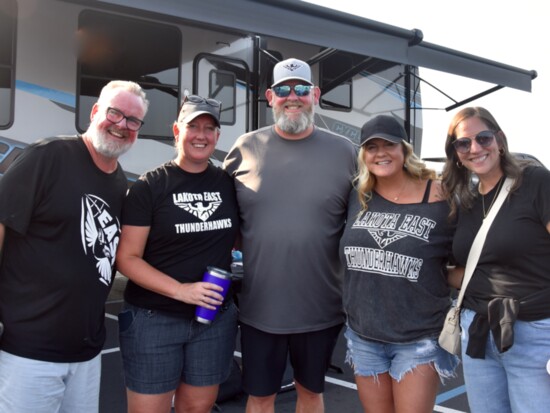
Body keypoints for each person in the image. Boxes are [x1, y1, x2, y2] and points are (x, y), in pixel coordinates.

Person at [0, 80, 148, 413]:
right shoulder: (49, 155)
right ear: (95, 112)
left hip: (86, 353)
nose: (122, 125)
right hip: (30, 351)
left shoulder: (118, 179)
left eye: (133, 120)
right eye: (115, 113)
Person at [223, 57, 357, 413]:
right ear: (270, 96)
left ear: (315, 95)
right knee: (261, 396)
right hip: (259, 306)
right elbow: (225, 221)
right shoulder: (244, 147)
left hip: (321, 308)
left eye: (301, 89)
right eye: (283, 89)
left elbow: (364, 221)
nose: (292, 97)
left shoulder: (345, 152)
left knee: (310, 393)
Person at [115, 95, 239, 413]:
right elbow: (127, 258)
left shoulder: (229, 185)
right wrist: (181, 291)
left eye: (209, 128)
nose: (201, 135)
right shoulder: (150, 187)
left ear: (218, 136)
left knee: (197, 408)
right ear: (176, 130)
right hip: (154, 318)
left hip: (213, 319)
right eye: (192, 126)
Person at [339, 115, 459, 413]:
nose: (380, 153)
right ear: (363, 154)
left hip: (417, 337)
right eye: (371, 146)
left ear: (405, 149)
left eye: (389, 144)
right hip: (363, 334)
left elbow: (468, 259)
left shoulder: (440, 195)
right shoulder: (358, 195)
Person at [441, 106, 550, 413]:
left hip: (534, 334)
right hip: (478, 331)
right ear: (456, 153)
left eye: (483, 138)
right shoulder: (468, 202)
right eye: (463, 143)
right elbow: (472, 272)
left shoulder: (536, 182)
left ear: (500, 140)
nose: (475, 148)